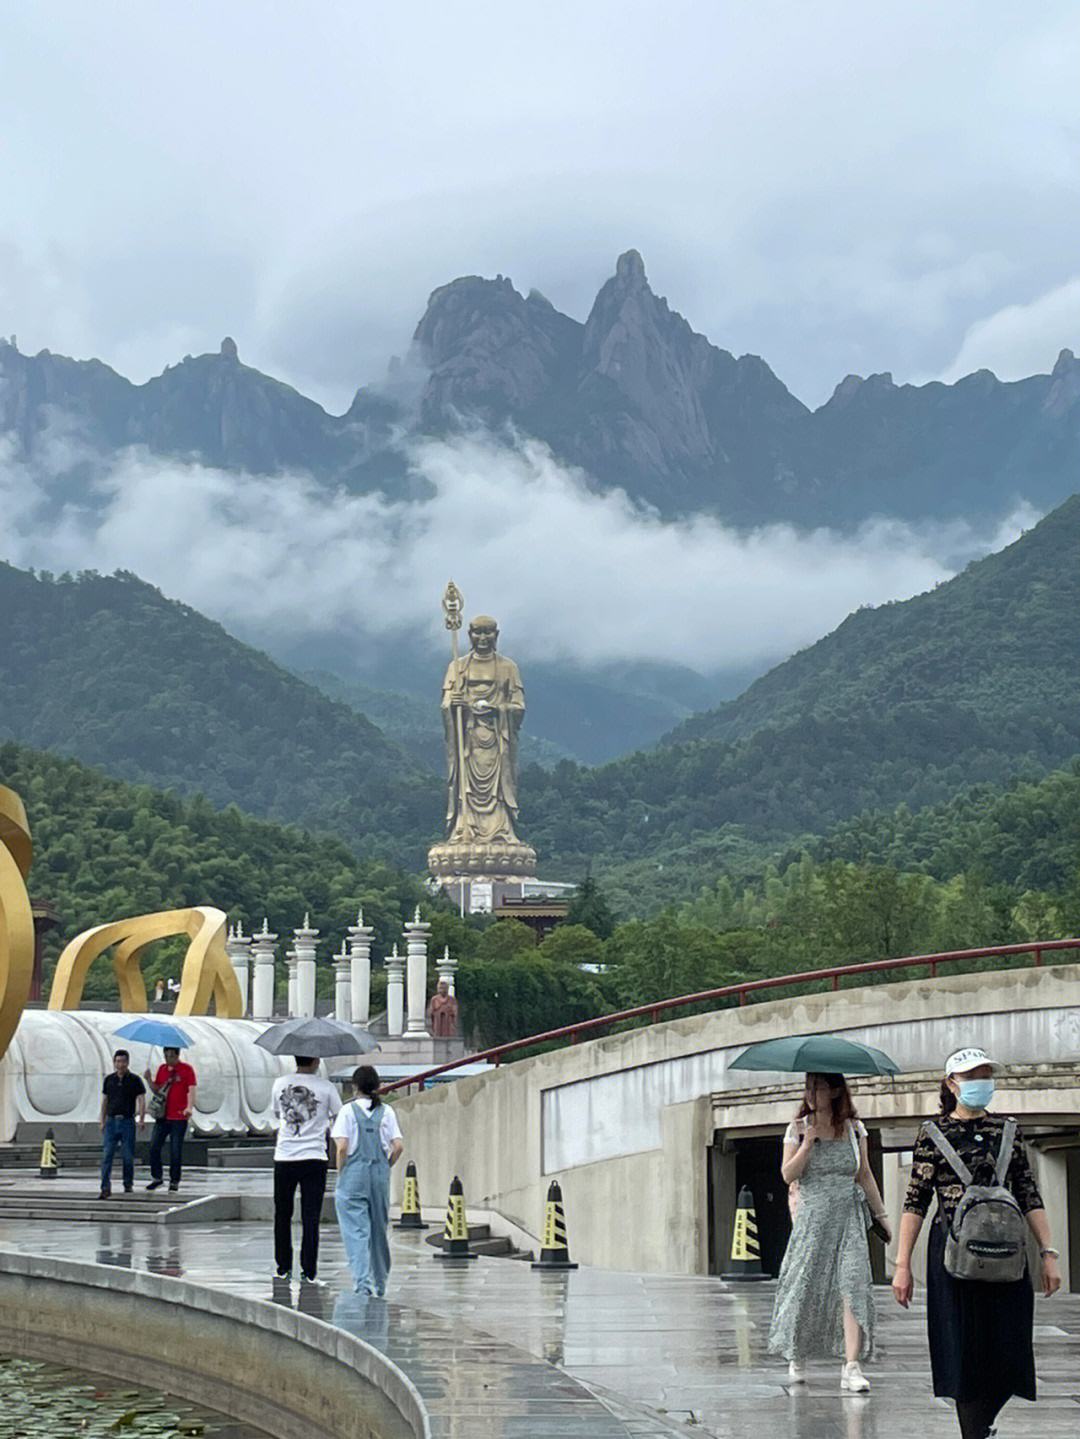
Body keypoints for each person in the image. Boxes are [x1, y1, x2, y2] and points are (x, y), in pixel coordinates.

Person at [892, 1047, 1062, 1439]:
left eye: (986, 1074)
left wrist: (1048, 1253)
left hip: (1007, 1255)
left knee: (1011, 1348)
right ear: (952, 1083)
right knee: (962, 1351)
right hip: (953, 1256)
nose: (981, 1083)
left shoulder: (1009, 1130)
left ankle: (981, 1425)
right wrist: (902, 1265)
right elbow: (915, 1200)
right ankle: (975, 1432)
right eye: (971, 1076)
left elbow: (1028, 1191)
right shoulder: (932, 1134)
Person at [769, 1072, 890, 1393]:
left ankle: (851, 1365)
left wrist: (881, 1216)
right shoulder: (796, 1129)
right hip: (812, 1218)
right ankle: (797, 1354)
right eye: (808, 1086)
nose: (811, 1093)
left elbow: (864, 1174)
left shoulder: (854, 1129)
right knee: (804, 1284)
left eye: (818, 1086)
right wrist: (807, 1143)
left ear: (835, 1091)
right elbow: (787, 1175)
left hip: (849, 1216)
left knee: (853, 1284)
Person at [331, 1065, 403, 1297]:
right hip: (379, 1174)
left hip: (354, 1174)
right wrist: (386, 1164)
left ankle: (363, 1284)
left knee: (356, 1231)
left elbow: (342, 1147)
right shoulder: (387, 1111)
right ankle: (381, 1282)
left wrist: (341, 1171)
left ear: (355, 1087)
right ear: (378, 1086)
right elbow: (398, 1146)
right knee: (378, 1230)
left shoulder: (347, 1111)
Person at [271, 1056, 342, 1282]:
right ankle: (308, 1270)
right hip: (314, 1157)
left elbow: (276, 1113)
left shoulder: (279, 1084)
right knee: (311, 1216)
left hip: (284, 1156)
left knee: (282, 1214)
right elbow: (338, 1117)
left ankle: (283, 1267)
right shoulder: (326, 1087)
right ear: (317, 1060)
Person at [145, 1046, 197, 1192]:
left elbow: (191, 1089)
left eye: (171, 1056)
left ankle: (174, 1180)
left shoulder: (187, 1070)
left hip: (179, 1116)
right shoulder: (162, 1069)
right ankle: (157, 1177)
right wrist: (149, 1080)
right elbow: (158, 1090)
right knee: (154, 1146)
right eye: (166, 1056)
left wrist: (189, 1107)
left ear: (177, 1055)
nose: (169, 1059)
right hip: (163, 1116)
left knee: (175, 1149)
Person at [98, 1049, 146, 1199]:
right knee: (107, 1155)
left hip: (127, 1121)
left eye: (123, 1061)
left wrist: (141, 1118)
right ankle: (105, 1187)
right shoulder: (109, 1080)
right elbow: (105, 1100)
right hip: (112, 1121)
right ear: (114, 1063)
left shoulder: (134, 1080)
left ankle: (128, 1183)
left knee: (127, 1155)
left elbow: (141, 1099)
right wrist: (102, 1119)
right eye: (118, 1061)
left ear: (127, 1062)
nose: (120, 1064)